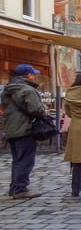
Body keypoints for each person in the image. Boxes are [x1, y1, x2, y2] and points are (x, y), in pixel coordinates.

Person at [1, 64, 47, 199]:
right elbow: (37, 110)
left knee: (17, 160)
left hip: (11, 129)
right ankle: (20, 189)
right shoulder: (27, 90)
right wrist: (43, 110)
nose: (34, 76)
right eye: (33, 74)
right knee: (26, 160)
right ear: (28, 75)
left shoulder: (7, 90)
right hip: (24, 128)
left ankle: (14, 188)